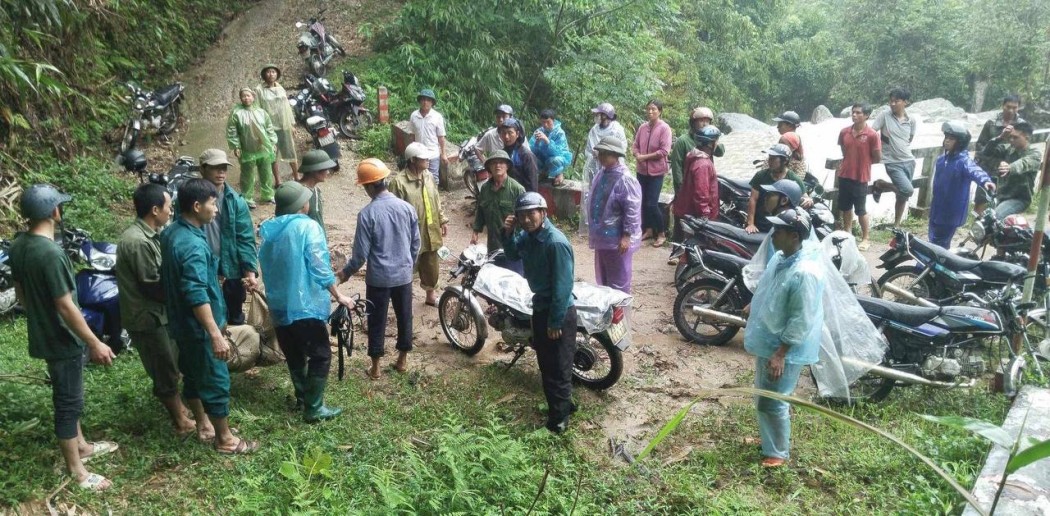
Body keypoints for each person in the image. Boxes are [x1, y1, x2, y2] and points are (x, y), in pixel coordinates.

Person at [10, 184, 118, 491]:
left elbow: (22, 294)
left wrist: (41, 317)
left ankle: (82, 445)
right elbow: (66, 305)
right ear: (55, 212)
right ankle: (77, 470)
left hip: (44, 333)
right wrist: (95, 342)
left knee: (68, 392)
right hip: (63, 338)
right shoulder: (51, 253)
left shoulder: (19, 245)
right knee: (68, 403)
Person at [161, 178, 259, 455]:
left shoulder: (172, 233)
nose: (216, 210)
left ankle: (204, 424)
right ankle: (225, 439)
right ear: (196, 206)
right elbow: (195, 294)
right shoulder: (191, 245)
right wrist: (215, 334)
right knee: (217, 378)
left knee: (192, 373)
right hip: (200, 328)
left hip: (182, 324)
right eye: (212, 204)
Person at [116, 183, 213, 440]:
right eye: (169, 207)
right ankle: (180, 420)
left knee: (172, 362)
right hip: (147, 318)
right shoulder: (137, 242)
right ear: (155, 209)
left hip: (159, 314)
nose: (171, 212)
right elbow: (151, 285)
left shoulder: (154, 234)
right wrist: (185, 295)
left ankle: (180, 409)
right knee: (164, 368)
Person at [259, 182, 353, 422]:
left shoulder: (269, 231)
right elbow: (319, 266)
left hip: (279, 306)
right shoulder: (308, 227)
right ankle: (314, 408)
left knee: (294, 354)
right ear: (302, 204)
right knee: (321, 354)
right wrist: (338, 295)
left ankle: (302, 397)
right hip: (304, 307)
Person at [743, 208, 825, 468]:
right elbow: (770, 291)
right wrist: (752, 307)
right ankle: (768, 441)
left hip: (785, 348)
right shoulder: (780, 258)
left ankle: (778, 452)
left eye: (779, 231)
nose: (773, 234)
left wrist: (781, 353)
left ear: (794, 236)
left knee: (775, 400)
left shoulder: (804, 273)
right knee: (763, 395)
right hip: (770, 339)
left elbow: (802, 318)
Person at [336, 159, 420, 379]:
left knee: (376, 320)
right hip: (403, 275)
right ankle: (402, 361)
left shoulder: (367, 215)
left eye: (364, 186)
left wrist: (344, 274)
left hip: (379, 279)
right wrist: (407, 264)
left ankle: (375, 368)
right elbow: (416, 244)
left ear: (370, 186)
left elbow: (360, 255)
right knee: (405, 317)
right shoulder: (407, 208)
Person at [501, 192, 576, 433]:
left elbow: (563, 288)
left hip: (558, 310)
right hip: (541, 307)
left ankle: (559, 419)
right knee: (546, 363)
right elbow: (512, 254)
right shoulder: (528, 236)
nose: (526, 219)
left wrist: (555, 321)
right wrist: (508, 233)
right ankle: (563, 404)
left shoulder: (555, 242)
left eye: (531, 213)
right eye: (521, 215)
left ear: (543, 213)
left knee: (558, 366)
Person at [196, 148, 259, 326]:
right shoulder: (189, 197)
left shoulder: (235, 201)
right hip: (203, 268)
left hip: (230, 269)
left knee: (235, 317)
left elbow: (245, 238)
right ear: (203, 169)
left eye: (224, 167)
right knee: (206, 317)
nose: (221, 172)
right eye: (216, 167)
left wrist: (250, 272)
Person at [390, 142, 449, 306]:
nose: (428, 160)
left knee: (431, 264)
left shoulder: (428, 176)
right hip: (409, 233)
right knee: (407, 266)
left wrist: (442, 219)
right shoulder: (398, 183)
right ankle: (403, 299)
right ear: (413, 160)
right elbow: (393, 212)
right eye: (424, 158)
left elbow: (436, 200)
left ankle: (431, 296)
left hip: (430, 229)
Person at [927, 122, 995, 249]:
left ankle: (925, 267)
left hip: (952, 211)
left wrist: (985, 180)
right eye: (946, 137)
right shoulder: (942, 160)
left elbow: (975, 170)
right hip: (937, 208)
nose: (947, 141)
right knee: (934, 239)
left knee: (938, 243)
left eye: (951, 139)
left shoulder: (963, 162)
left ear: (960, 143)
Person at [588, 135, 642, 293]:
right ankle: (607, 313)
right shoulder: (602, 174)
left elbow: (632, 210)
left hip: (617, 239)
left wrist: (626, 235)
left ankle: (620, 316)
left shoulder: (626, 179)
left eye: (606, 153)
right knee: (603, 279)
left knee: (619, 281)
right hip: (602, 237)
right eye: (601, 153)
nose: (602, 157)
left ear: (616, 155)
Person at [471, 150, 526, 273]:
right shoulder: (485, 188)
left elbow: (525, 220)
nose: (497, 166)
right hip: (493, 245)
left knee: (513, 281)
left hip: (513, 247)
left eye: (501, 162)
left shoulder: (517, 190)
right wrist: (475, 231)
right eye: (494, 163)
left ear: (507, 166)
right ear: (489, 167)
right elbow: (480, 211)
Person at [871, 87, 918, 227]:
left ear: (905, 102)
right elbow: (872, 133)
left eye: (896, 101)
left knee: (902, 196)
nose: (892, 104)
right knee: (907, 190)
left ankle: (896, 225)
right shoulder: (885, 115)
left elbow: (909, 139)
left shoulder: (911, 120)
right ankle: (880, 184)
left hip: (908, 161)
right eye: (890, 101)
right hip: (892, 162)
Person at [837, 103, 881, 251]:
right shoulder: (844, 132)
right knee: (845, 207)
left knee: (861, 209)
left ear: (867, 116)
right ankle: (848, 233)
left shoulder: (872, 135)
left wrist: (863, 164)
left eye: (858, 113)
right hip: (844, 175)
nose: (854, 115)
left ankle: (865, 237)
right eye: (853, 112)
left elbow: (877, 157)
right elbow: (844, 150)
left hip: (860, 177)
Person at [226, 87, 278, 209]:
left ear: (253, 97)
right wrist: (236, 146)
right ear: (240, 98)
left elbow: (269, 128)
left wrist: (273, 142)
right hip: (247, 149)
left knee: (266, 173)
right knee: (247, 175)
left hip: (263, 148)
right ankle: (247, 198)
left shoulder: (261, 112)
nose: (246, 98)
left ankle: (267, 195)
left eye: (248, 95)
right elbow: (232, 131)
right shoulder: (236, 113)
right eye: (243, 96)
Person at [974, 94, 1026, 214]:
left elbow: (1025, 149)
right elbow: (980, 146)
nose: (1011, 110)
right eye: (1008, 107)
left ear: (1019, 108)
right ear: (1003, 106)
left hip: (1009, 171)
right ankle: (977, 229)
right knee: (981, 200)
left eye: (1015, 107)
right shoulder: (991, 123)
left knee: (1004, 206)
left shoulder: (1021, 125)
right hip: (989, 169)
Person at [631, 99, 673, 247]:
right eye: (648, 109)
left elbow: (664, 151)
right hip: (642, 171)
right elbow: (635, 145)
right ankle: (648, 230)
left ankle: (661, 233)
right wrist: (637, 155)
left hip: (656, 172)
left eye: (654, 109)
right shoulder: (643, 127)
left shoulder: (664, 128)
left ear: (660, 111)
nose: (650, 112)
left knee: (652, 203)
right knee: (642, 201)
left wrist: (644, 157)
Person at [581, 102, 626, 235]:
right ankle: (595, 222)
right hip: (595, 166)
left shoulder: (617, 130)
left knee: (612, 194)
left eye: (599, 114)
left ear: (606, 116)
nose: (597, 116)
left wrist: (606, 154)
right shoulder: (594, 130)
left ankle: (611, 223)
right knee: (595, 193)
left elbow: (621, 149)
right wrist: (594, 155)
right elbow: (588, 150)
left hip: (612, 169)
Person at [981, 121, 1042, 219]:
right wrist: (1000, 137)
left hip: (1019, 199)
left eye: (1016, 137)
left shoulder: (1034, 153)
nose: (1011, 140)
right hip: (1001, 196)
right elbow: (986, 153)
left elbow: (1023, 163)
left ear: (1027, 138)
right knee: (989, 221)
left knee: (994, 218)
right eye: (1010, 137)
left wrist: (1009, 167)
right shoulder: (1008, 149)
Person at [746, 144, 807, 234]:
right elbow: (753, 199)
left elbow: (805, 196)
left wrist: (808, 200)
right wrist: (750, 223)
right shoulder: (760, 176)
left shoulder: (793, 178)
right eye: (769, 157)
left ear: (784, 161)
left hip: (781, 225)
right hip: (761, 224)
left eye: (773, 159)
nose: (769, 161)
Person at [255, 64, 299, 185]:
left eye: (273, 72)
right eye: (268, 72)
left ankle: (297, 176)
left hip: (284, 125)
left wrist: (291, 124)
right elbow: (257, 109)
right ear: (264, 75)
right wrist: (260, 129)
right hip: (270, 127)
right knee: (272, 155)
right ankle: (278, 180)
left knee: (290, 151)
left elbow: (287, 107)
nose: (271, 74)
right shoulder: (259, 90)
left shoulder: (280, 88)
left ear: (277, 74)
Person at [671, 107, 724, 195]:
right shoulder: (683, 141)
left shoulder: (709, 140)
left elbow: (721, 152)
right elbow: (677, 169)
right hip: (687, 186)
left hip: (704, 184)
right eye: (701, 121)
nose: (704, 124)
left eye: (707, 121)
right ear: (693, 122)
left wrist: (715, 141)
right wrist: (682, 190)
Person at [674, 126, 721, 224]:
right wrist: (705, 216)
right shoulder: (703, 164)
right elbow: (701, 194)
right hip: (698, 216)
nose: (717, 144)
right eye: (716, 141)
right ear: (710, 144)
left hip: (689, 210)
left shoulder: (694, 156)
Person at [406, 88, 447, 183]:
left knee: (433, 179)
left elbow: (441, 137)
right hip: (418, 154)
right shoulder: (414, 116)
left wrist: (443, 154)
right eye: (423, 99)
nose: (425, 102)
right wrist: (411, 151)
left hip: (433, 154)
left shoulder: (437, 117)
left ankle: (434, 197)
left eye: (428, 100)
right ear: (420, 101)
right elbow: (412, 135)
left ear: (432, 102)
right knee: (418, 178)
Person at [296, 149, 337, 234]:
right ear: (314, 171)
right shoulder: (298, 193)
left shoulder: (316, 190)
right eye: (325, 169)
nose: (328, 172)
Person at [529, 109, 574, 186]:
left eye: (548, 122)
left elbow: (559, 152)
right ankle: (543, 173)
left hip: (555, 158)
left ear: (553, 120)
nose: (545, 125)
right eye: (543, 122)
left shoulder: (559, 133)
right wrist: (537, 143)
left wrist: (547, 141)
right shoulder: (539, 131)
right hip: (542, 158)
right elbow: (531, 148)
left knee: (554, 160)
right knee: (531, 157)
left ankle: (559, 174)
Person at [499, 117, 539, 192]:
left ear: (517, 134)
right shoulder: (501, 154)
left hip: (522, 196)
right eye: (504, 133)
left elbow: (532, 184)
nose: (506, 136)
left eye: (510, 133)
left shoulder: (526, 155)